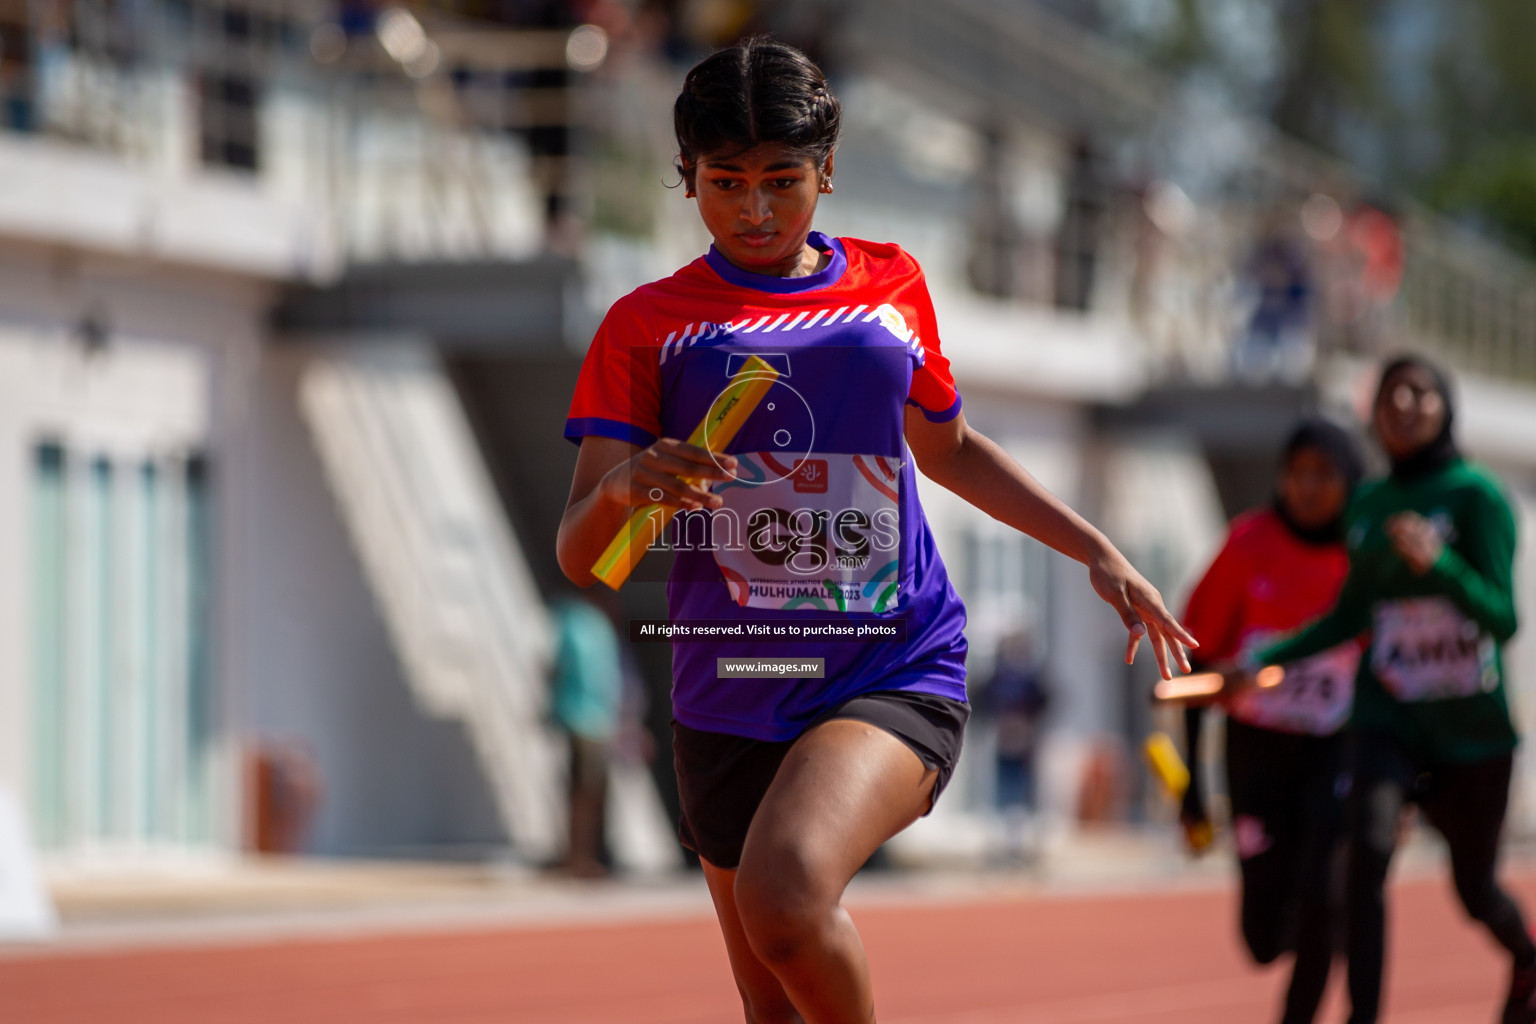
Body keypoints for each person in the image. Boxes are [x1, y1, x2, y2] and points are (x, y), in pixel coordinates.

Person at [556, 38, 1196, 1023]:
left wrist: (1096, 550)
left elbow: (950, 449)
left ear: (829, 170)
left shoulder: (889, 288)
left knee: (786, 891)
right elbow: (585, 557)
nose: (756, 208)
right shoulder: (646, 326)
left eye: (784, 179)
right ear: (687, 179)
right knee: (775, 991)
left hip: (889, 663)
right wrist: (634, 487)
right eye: (727, 182)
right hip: (728, 687)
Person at [1250, 356, 1534, 1024]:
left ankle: (1526, 956)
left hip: (1472, 730)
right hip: (1391, 718)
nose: (1403, 404)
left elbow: (1504, 618)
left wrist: (1441, 567)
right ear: (1375, 413)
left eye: (1420, 393)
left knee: (1474, 889)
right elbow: (1351, 616)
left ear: (1445, 407)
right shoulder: (1371, 504)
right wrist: (1265, 662)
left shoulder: (1479, 498)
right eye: (1390, 395)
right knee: (1365, 854)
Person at [1180, 417, 1364, 1024]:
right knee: (1263, 939)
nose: (1309, 488)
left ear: (1350, 481)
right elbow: (1197, 664)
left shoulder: (1365, 551)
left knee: (1321, 894)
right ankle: (1316, 924)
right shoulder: (1248, 544)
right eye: (1297, 474)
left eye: (1325, 475)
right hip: (1255, 748)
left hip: (1334, 747)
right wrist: (1192, 788)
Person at [549, 595, 625, 878]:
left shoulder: (577, 621)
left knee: (586, 793)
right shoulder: (584, 622)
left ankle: (585, 856)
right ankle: (583, 857)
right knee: (588, 793)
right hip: (590, 718)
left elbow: (560, 667)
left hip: (586, 718)